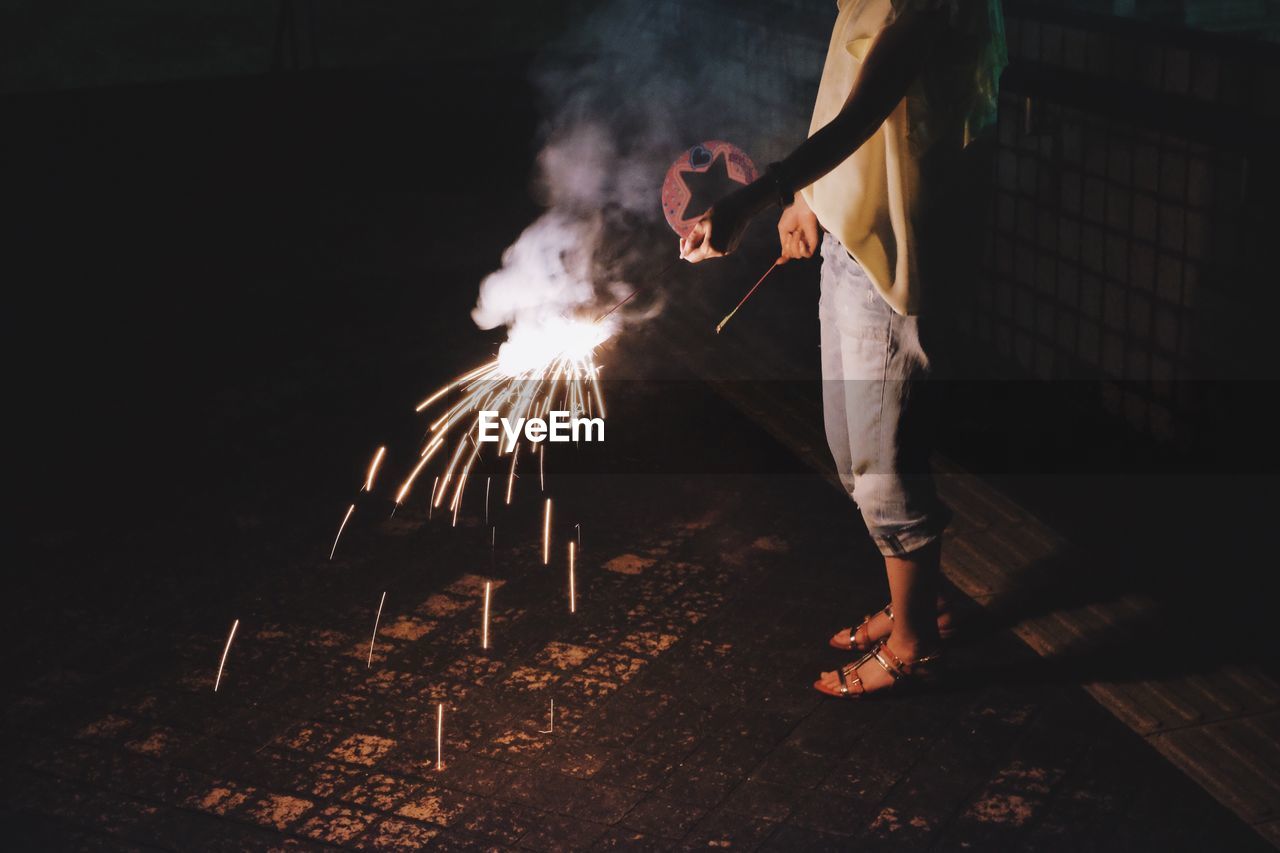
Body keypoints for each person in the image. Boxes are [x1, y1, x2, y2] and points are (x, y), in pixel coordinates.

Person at [680, 0, 1005, 697]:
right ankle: (919, 600)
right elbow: (842, 97)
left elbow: (869, 111)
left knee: (885, 461)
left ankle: (915, 643)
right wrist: (806, 203)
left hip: (892, 256)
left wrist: (756, 199)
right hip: (848, 239)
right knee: (851, 449)